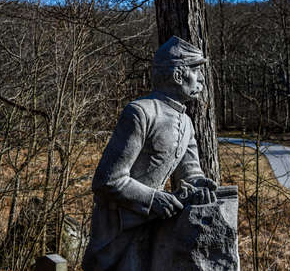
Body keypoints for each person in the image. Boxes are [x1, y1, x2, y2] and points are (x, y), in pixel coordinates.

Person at [82, 36, 218, 271]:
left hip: (153, 229)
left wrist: (198, 186)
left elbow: (191, 170)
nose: (202, 78)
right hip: (116, 234)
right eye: (196, 70)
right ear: (178, 75)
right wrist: (154, 198)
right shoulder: (141, 113)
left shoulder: (186, 122)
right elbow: (107, 180)